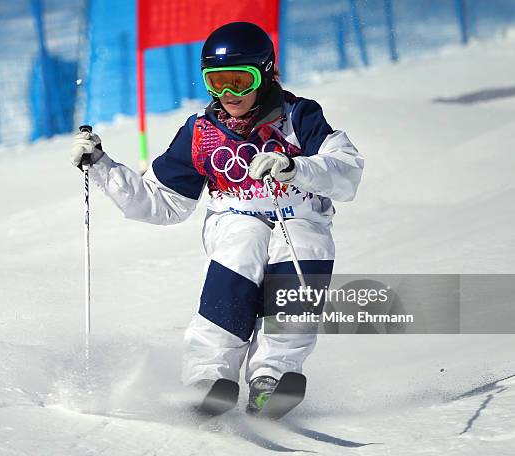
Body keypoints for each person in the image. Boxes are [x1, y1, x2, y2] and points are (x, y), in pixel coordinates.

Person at [71, 22, 364, 414]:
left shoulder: (300, 118)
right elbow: (163, 203)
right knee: (244, 242)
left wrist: (296, 168)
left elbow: (346, 171)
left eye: (240, 81)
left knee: (303, 243)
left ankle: (272, 374)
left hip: (300, 214)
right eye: (217, 82)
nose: (229, 95)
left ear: (264, 74)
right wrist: (103, 167)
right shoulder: (201, 132)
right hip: (234, 215)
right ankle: (209, 374)